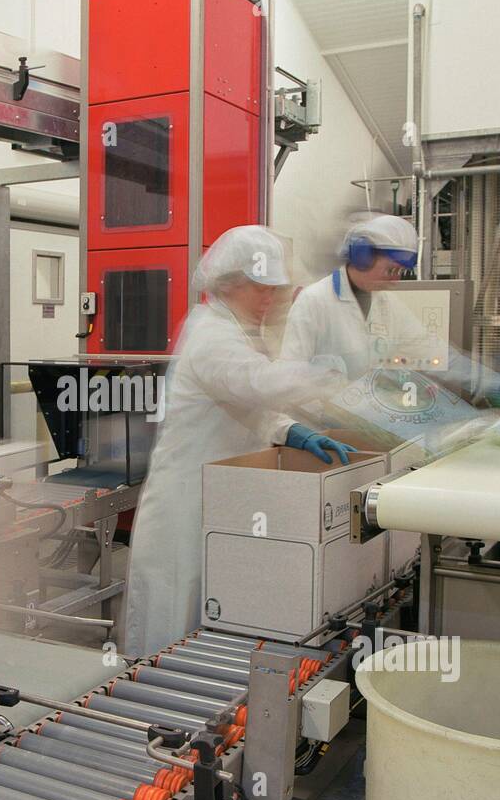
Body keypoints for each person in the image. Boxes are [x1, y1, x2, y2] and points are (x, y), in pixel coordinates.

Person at [121, 226, 355, 658]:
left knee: (211, 607)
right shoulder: (211, 333)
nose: (268, 300)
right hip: (186, 504)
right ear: (229, 283)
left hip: (221, 496)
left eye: (273, 290)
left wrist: (290, 431)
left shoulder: (237, 330)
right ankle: (153, 709)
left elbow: (250, 408)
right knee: (174, 614)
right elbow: (254, 383)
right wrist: (324, 373)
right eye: (259, 289)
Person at [280, 214, 425, 380]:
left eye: (402, 272)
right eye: (392, 270)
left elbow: (424, 344)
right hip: (321, 405)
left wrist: (460, 372)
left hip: (369, 404)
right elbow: (291, 371)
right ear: (362, 258)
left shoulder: (387, 303)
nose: (396, 280)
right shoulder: (313, 300)